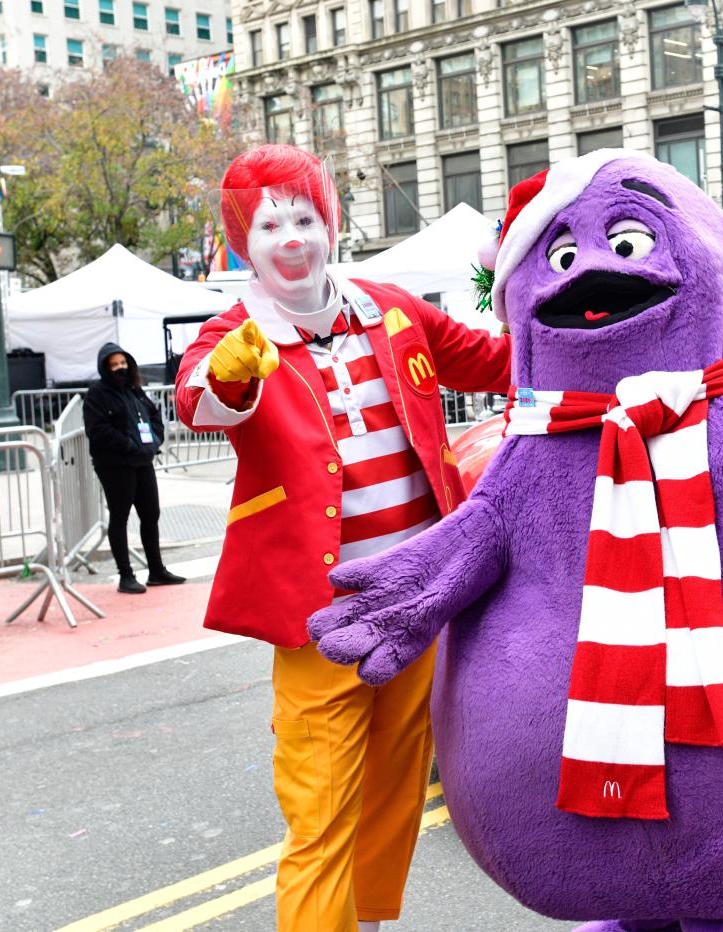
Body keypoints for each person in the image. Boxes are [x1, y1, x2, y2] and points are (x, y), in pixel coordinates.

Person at [174, 143, 511, 932]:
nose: (290, 237)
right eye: (268, 226)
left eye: (304, 218)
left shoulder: (390, 309)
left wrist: (572, 313)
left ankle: (362, 920)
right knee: (319, 804)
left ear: (329, 225)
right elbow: (198, 401)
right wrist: (229, 372)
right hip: (322, 612)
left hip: (419, 595)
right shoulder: (236, 335)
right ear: (242, 243)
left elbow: (495, 362)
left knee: (395, 786)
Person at [84, 342, 186, 594]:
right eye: (114, 365)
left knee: (150, 514)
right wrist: (130, 445)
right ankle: (125, 575)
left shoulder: (135, 390)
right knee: (120, 518)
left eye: (123, 363)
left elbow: (153, 416)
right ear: (105, 368)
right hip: (115, 465)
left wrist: (155, 440)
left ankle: (156, 570)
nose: (120, 368)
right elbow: (97, 431)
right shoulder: (97, 395)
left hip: (143, 461)